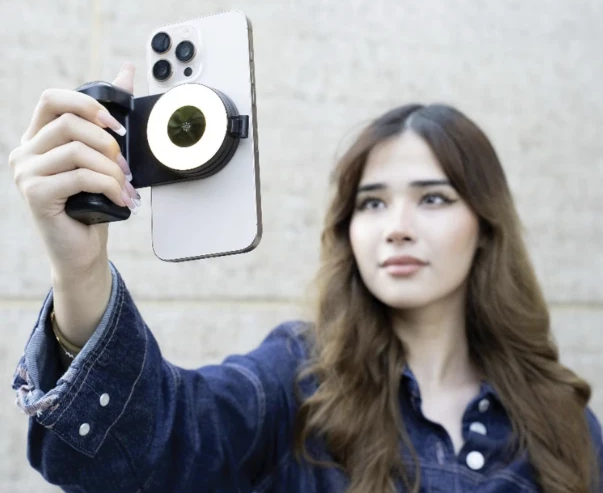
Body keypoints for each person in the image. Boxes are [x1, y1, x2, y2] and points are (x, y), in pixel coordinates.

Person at [9, 62, 602, 493]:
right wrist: (80, 270)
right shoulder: (299, 382)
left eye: (433, 199)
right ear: (348, 230)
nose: (397, 228)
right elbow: (155, 447)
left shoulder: (560, 422)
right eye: (372, 203)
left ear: (485, 226)